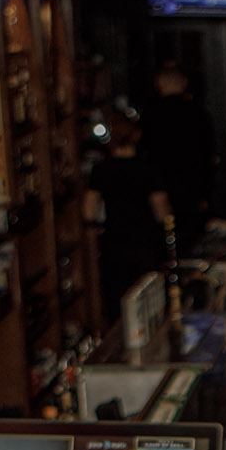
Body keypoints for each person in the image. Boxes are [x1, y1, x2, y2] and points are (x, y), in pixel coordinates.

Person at [84, 108, 169, 323]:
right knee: (147, 302)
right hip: (144, 242)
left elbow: (88, 210)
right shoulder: (148, 168)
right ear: (137, 135)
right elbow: (161, 212)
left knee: (118, 305)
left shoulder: (101, 169)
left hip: (115, 242)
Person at [143, 61, 216, 239]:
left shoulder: (150, 115)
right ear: (183, 83)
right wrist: (205, 192)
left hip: (159, 186)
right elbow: (207, 156)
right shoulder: (198, 114)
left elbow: (146, 155)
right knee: (192, 238)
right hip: (191, 185)